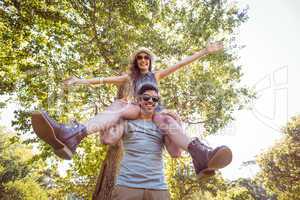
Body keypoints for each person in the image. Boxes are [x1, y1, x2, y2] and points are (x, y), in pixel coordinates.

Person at [31, 43, 232, 178]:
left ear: (150, 61)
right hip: (137, 107)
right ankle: (73, 135)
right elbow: (101, 80)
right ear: (136, 61)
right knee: (119, 105)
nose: (143, 60)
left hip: (155, 109)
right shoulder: (129, 78)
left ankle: (201, 156)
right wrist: (79, 81)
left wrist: (205, 51)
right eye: (140, 58)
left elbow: (181, 63)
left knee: (168, 120)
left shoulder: (156, 75)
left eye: (146, 58)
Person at [104, 83, 231, 200]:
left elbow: (175, 153)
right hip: (128, 186)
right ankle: (201, 158)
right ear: (138, 100)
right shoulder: (128, 121)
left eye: (155, 99)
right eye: (146, 98)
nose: (150, 101)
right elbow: (108, 138)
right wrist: (117, 110)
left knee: (168, 120)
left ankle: (202, 155)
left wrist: (177, 122)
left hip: (158, 188)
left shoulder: (163, 124)